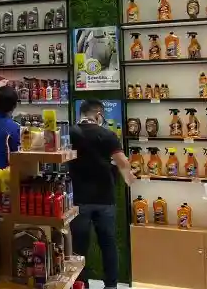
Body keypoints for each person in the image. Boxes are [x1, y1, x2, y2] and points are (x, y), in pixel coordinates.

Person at [69, 99, 136, 289]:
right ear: (98, 115)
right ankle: (111, 285)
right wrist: (129, 178)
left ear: (82, 114)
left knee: (79, 249)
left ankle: (82, 285)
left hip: (78, 199)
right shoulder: (107, 134)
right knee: (108, 245)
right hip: (105, 198)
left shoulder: (70, 133)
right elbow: (122, 162)